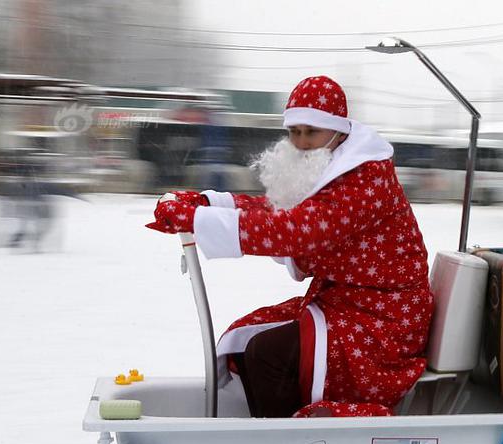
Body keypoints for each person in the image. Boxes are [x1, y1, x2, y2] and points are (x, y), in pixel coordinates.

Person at [147, 75, 434, 417]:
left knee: (268, 354)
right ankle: (273, 437)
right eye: (293, 132)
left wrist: (197, 220)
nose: (300, 143)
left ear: (338, 130)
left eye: (310, 132)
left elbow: (299, 231)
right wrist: (209, 204)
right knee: (247, 347)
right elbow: (279, 212)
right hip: (349, 305)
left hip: (385, 320)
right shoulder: (332, 166)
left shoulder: (364, 179)